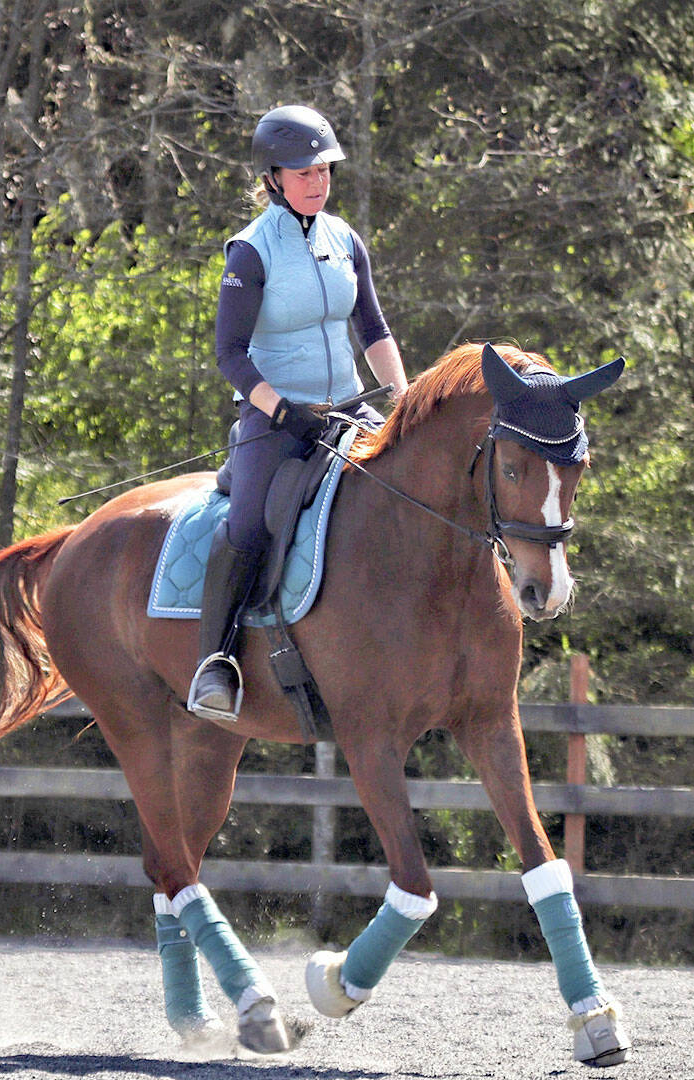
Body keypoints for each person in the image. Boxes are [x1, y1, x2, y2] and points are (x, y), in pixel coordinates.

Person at [188, 103, 410, 723]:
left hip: (349, 409)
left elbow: (373, 327)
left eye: (324, 171)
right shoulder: (251, 252)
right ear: (273, 178)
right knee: (252, 525)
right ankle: (216, 662)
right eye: (304, 172)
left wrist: (403, 395)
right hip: (274, 417)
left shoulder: (345, 241)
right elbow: (229, 354)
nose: (317, 182)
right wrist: (283, 410)